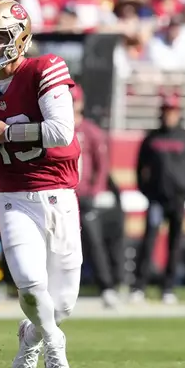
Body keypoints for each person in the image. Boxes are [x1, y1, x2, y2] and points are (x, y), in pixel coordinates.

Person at [0, 0, 80, 368]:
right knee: (30, 284)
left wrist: (4, 132)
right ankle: (54, 342)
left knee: (62, 303)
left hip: (58, 193)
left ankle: (31, 337)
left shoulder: (46, 68)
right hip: (12, 195)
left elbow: (62, 131)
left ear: (22, 36)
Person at [131, 92, 185, 304]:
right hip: (155, 199)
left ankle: (168, 287)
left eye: (172, 111)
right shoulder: (151, 139)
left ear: (178, 113)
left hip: (178, 200)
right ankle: (139, 287)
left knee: (175, 243)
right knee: (149, 241)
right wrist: (146, 191)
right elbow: (139, 168)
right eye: (165, 111)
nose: (168, 116)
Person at [72, 86, 116, 308]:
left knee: (94, 242)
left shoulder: (90, 131)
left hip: (83, 196)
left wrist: (95, 190)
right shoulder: (53, 128)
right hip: (60, 195)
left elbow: (102, 166)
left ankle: (106, 287)